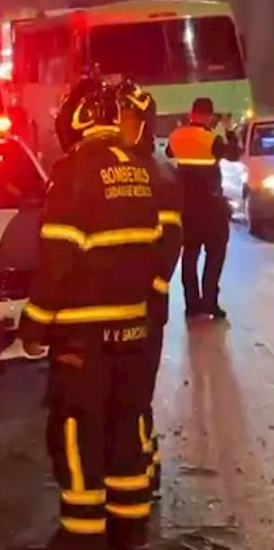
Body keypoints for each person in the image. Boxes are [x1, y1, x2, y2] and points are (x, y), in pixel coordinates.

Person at [13, 78, 162, 550]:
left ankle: (81, 535)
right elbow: (155, 247)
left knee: (76, 433)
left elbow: (59, 257)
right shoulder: (137, 169)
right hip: (134, 332)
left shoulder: (73, 170)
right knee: (126, 430)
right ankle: (128, 529)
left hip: (84, 338)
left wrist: (34, 323)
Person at [114, 81, 183, 500]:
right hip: (124, 302)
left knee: (136, 389)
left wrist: (153, 289)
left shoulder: (157, 172)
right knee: (129, 390)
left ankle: (143, 469)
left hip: (145, 305)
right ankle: (143, 461)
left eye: (129, 120)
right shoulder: (123, 167)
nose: (122, 127)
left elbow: (170, 241)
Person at [166, 97, 241, 320]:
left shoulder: (177, 136)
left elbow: (169, 153)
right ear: (209, 116)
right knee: (215, 253)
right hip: (210, 207)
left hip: (186, 207)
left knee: (189, 255)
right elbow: (234, 154)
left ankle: (192, 305)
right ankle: (210, 302)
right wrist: (229, 130)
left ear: (191, 113)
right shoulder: (212, 139)